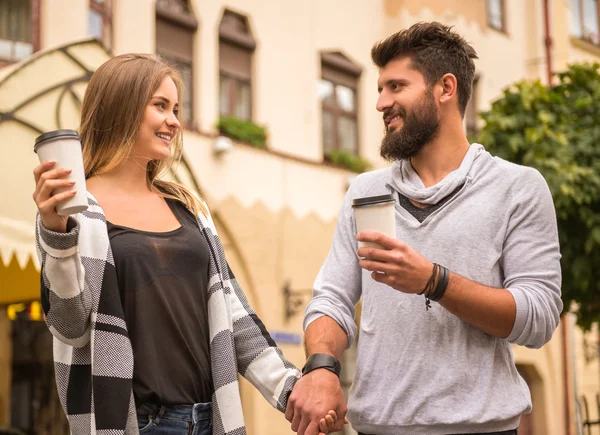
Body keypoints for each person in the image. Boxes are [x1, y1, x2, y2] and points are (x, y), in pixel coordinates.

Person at [32, 53, 340, 435]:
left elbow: (233, 317)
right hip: (136, 424)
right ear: (121, 106)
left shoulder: (188, 209)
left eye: (176, 109)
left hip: (210, 421)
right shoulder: (74, 212)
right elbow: (69, 326)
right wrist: (56, 233)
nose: (175, 121)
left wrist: (294, 391)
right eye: (160, 106)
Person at [285, 22, 563, 435]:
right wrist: (322, 367)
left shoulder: (517, 187)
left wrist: (434, 281)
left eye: (396, 87)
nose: (381, 102)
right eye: (380, 89)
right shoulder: (365, 190)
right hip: (377, 428)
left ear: (445, 89)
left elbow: (538, 317)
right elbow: (332, 299)